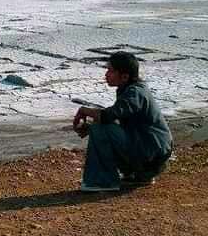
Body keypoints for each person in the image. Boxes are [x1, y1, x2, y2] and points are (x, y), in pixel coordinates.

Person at [73, 51, 173, 192]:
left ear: (125, 76)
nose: (106, 74)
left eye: (111, 70)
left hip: (152, 156)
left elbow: (109, 116)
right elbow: (122, 121)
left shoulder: (135, 92)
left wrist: (84, 111)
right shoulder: (129, 89)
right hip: (152, 154)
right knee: (98, 127)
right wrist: (90, 128)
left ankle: (102, 182)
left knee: (100, 127)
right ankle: (138, 176)